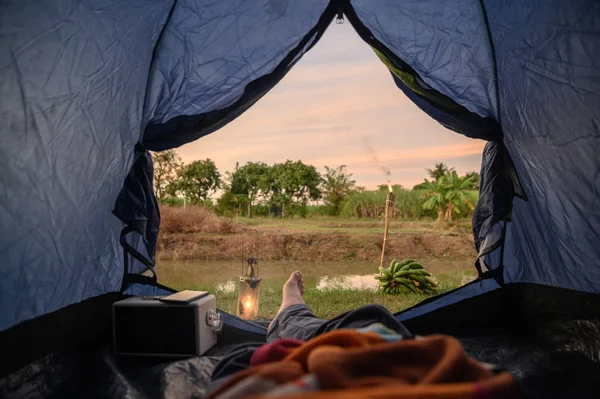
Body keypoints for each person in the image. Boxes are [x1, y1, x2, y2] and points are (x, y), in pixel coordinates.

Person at [207, 272, 519, 399]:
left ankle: (289, 312)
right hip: (400, 355)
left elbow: (256, 362)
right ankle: (292, 312)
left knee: (358, 324)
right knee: (370, 321)